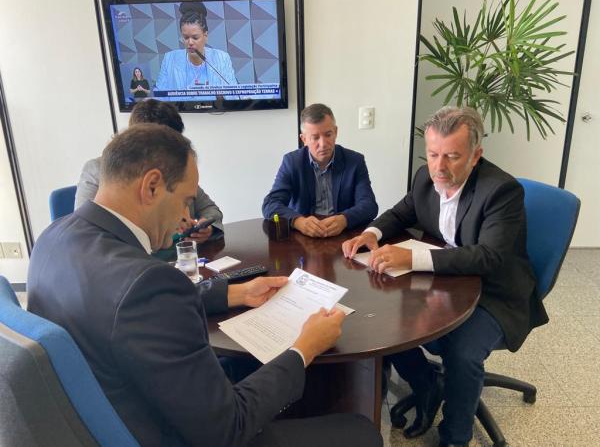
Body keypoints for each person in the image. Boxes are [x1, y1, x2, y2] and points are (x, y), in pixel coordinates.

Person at [28, 124, 382, 447]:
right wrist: (304, 348)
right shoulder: (148, 283)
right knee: (360, 431)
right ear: (152, 186)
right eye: (185, 200)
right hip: (171, 432)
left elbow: (123, 312)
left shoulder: (52, 238)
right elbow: (228, 429)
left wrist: (236, 292)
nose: (186, 217)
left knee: (245, 367)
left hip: (108, 408)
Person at [342, 106, 549, 447]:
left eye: (452, 156)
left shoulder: (501, 191)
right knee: (381, 318)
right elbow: (402, 212)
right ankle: (426, 383)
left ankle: (455, 437)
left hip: (494, 290)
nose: (439, 167)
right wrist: (371, 233)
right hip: (445, 279)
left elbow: (489, 256)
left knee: (463, 353)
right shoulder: (426, 176)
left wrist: (412, 258)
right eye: (433, 154)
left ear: (475, 155)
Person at [75, 98, 223, 244]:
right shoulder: (98, 170)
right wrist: (166, 220)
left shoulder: (177, 169)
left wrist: (205, 227)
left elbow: (210, 209)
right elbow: (88, 232)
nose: (172, 153)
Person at [262, 103, 378, 238]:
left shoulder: (355, 161)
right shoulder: (292, 162)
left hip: (343, 234)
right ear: (304, 139)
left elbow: (369, 205)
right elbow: (270, 204)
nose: (323, 144)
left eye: (328, 134)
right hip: (304, 236)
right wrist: (298, 221)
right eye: (315, 137)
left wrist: (345, 219)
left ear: (336, 132)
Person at [154, 2, 237, 101]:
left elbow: (235, 96)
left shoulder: (222, 58)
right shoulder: (169, 59)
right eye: (186, 37)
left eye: (195, 37)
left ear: (205, 36)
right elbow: (159, 98)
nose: (190, 42)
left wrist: (222, 98)